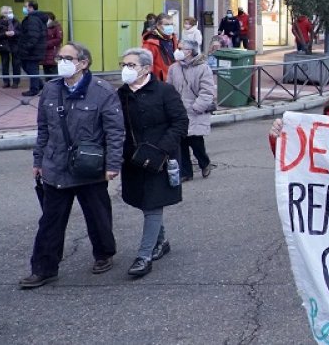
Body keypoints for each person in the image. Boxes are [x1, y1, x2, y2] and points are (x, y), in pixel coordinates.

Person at [20, 42, 124, 289]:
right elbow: (43, 129)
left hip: (89, 166)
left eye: (67, 58)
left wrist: (113, 165)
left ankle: (104, 253)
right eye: (59, 57)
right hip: (56, 166)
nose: (61, 62)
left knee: (97, 216)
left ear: (83, 63)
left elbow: (115, 132)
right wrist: (38, 160)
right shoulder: (50, 90)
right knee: (50, 221)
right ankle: (44, 269)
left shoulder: (103, 91)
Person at [117, 48, 189, 278]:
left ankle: (144, 256)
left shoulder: (164, 91)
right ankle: (162, 241)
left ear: (146, 69)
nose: (126, 69)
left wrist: (162, 150)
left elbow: (180, 122)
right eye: (124, 65)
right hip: (133, 160)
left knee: (153, 206)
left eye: (131, 65)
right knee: (143, 202)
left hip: (160, 159)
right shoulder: (120, 94)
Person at [167, 39, 216, 181]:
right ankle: (186, 173)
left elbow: (207, 91)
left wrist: (197, 107)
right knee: (181, 143)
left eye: (181, 48)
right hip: (178, 112)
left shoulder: (203, 68)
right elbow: (168, 89)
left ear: (189, 52)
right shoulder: (174, 68)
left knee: (195, 142)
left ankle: (204, 163)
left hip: (195, 111)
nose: (177, 50)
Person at [18, 0, 48, 97]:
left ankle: (34, 89)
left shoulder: (32, 19)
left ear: (31, 8)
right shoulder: (35, 18)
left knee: (31, 68)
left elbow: (33, 35)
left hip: (32, 50)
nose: (24, 8)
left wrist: (26, 47)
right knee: (27, 67)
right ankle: (38, 84)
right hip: (35, 48)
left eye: (25, 6)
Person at [141, 13, 178, 82]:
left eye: (171, 24)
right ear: (158, 26)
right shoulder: (150, 44)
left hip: (174, 79)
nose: (170, 26)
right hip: (159, 83)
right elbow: (146, 67)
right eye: (167, 24)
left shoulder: (173, 39)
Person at [0, 6, 21, 88]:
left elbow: (21, 32)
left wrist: (14, 33)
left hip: (15, 44)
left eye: (11, 12)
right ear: (3, 14)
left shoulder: (16, 22)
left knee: (16, 64)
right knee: (5, 64)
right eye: (8, 12)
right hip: (3, 46)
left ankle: (16, 82)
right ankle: (6, 81)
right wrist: (5, 34)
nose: (10, 14)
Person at [41, 12, 64, 78]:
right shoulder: (43, 27)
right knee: (46, 72)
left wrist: (46, 44)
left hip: (53, 52)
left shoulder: (56, 26)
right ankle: (48, 86)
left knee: (54, 72)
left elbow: (59, 39)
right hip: (45, 53)